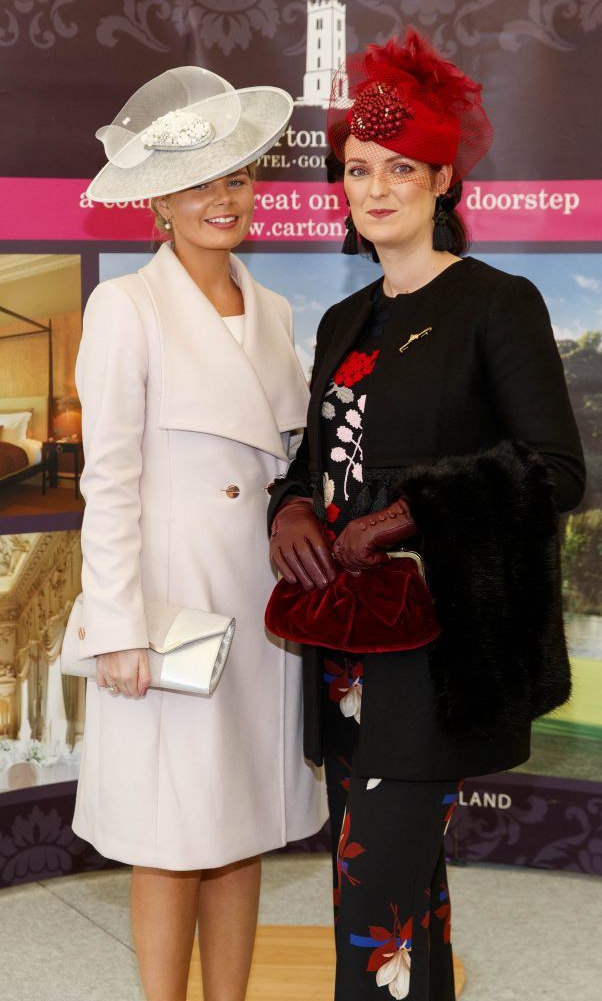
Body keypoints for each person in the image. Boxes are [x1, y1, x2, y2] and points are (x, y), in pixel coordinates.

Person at [267, 30, 585, 1001]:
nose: (374, 188)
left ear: (443, 179)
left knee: (370, 912)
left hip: (438, 656)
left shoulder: (498, 304)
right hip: (344, 655)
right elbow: (319, 457)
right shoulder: (341, 321)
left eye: (399, 168)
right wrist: (289, 506)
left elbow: (554, 469)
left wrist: (406, 516)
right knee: (410, 903)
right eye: (357, 168)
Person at [73, 67, 326, 1001]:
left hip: (260, 616)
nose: (222, 199)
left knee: (238, 825)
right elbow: (110, 483)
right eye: (197, 183)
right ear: (158, 205)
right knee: (170, 836)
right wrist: (118, 628)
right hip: (170, 615)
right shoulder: (126, 308)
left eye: (236, 178)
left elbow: (288, 474)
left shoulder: (278, 313)